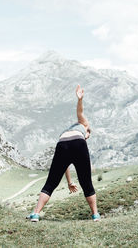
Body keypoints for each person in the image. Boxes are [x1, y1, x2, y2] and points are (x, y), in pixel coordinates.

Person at [27, 84, 100, 222]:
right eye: (88, 135)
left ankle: (36, 214)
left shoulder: (66, 132)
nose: (88, 136)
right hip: (78, 143)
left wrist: (70, 182)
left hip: (62, 144)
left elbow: (66, 164)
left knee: (51, 183)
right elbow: (80, 113)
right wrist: (80, 100)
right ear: (88, 132)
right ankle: (95, 215)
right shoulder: (84, 126)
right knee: (86, 183)